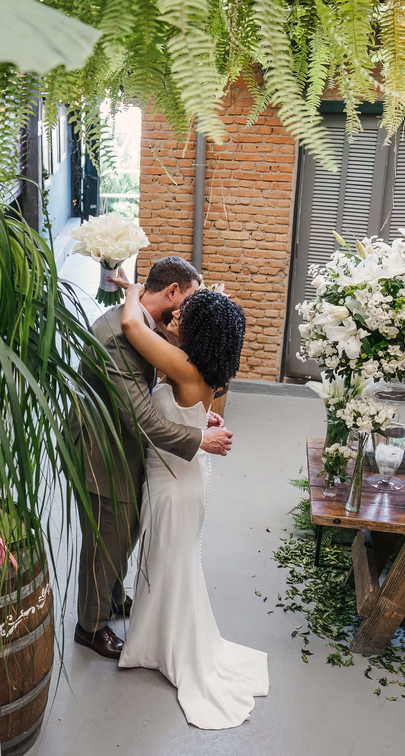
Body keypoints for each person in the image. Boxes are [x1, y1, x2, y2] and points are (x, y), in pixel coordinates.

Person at [110, 269, 270, 730]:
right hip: (185, 475)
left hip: (174, 485)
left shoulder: (184, 368)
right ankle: (159, 638)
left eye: (187, 314)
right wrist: (206, 429)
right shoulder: (199, 364)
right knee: (171, 563)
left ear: (198, 332)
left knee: (169, 563)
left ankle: (159, 646)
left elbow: (133, 328)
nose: (176, 314)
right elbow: (159, 339)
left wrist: (131, 289)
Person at [72, 256, 234, 661]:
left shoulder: (146, 324)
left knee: (123, 532)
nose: (186, 314)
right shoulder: (120, 335)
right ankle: (89, 627)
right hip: (101, 450)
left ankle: (110, 599)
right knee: (106, 538)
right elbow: (141, 418)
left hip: (126, 444)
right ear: (172, 292)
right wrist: (199, 436)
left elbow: (158, 393)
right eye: (187, 303)